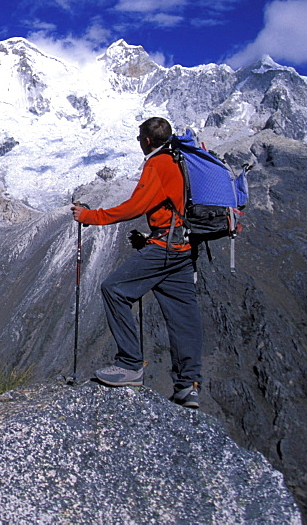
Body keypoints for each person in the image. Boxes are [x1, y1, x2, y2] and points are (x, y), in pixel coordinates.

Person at [70, 116, 202, 408]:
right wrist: (150, 236)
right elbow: (172, 206)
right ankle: (188, 386)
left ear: (146, 141)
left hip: (166, 248)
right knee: (184, 317)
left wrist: (91, 216)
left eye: (139, 140)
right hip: (183, 247)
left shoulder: (157, 163)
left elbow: (136, 206)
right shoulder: (181, 160)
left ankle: (129, 364)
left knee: (114, 289)